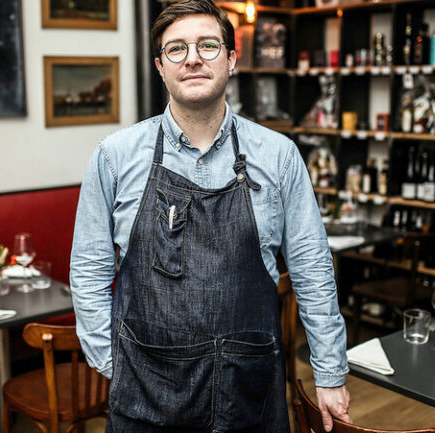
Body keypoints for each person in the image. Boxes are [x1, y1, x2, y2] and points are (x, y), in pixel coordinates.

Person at [70, 0, 351, 431]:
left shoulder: (279, 157)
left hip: (250, 391)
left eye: (208, 45)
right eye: (177, 49)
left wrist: (330, 372)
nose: (194, 58)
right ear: (161, 67)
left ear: (232, 60)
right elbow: (89, 270)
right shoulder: (114, 156)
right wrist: (111, 360)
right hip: (145, 394)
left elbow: (312, 270)